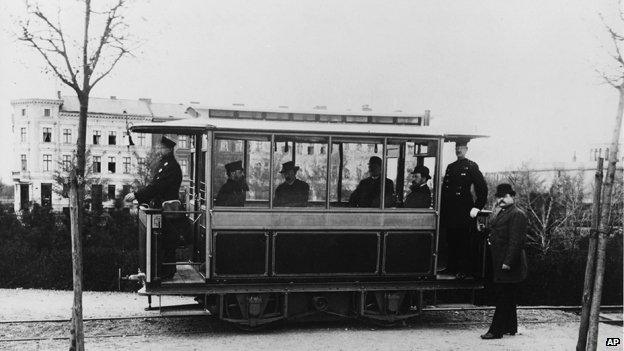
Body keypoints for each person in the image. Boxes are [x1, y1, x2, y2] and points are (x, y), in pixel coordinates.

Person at [124, 135, 182, 280]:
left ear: (169, 149)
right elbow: (154, 185)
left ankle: (167, 272)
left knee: (167, 240)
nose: (159, 149)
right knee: (164, 239)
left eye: (162, 147)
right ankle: (164, 271)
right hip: (163, 207)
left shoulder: (171, 166)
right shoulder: (165, 164)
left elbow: (157, 186)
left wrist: (137, 195)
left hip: (168, 208)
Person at [481, 183, 527, 339]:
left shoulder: (517, 214)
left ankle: (496, 331)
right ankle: (510, 327)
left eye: (505, 196)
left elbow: (516, 241)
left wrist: (507, 262)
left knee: (503, 296)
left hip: (509, 263)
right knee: (508, 295)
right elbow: (498, 231)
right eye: (499, 196)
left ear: (512, 197)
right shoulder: (503, 212)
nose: (501, 199)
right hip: (500, 260)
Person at [440, 139, 488, 279]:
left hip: (464, 211)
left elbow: (482, 189)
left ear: (466, 149)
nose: (458, 150)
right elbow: (445, 190)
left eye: (461, 147)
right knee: (451, 240)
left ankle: (464, 270)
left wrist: (477, 207)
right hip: (450, 211)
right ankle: (451, 267)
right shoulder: (450, 167)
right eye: (457, 147)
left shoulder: (471, 166)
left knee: (464, 241)